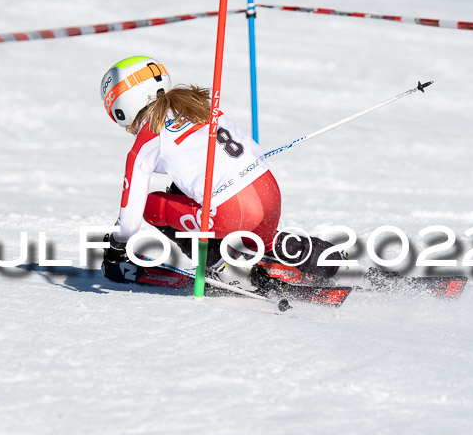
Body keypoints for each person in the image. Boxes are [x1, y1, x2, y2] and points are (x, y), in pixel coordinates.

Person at [99, 55, 339, 289]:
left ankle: (224, 266)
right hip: (269, 193)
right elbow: (250, 150)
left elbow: (129, 221)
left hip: (232, 211)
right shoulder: (199, 107)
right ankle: (317, 256)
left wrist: (116, 247)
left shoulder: (148, 137)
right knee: (258, 237)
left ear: (122, 107)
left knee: (153, 206)